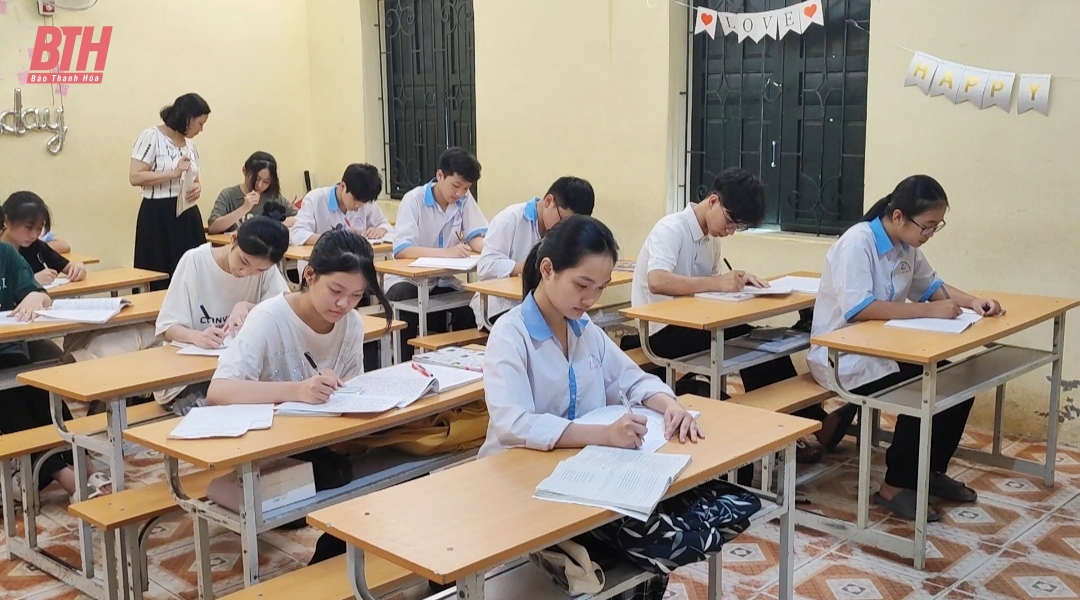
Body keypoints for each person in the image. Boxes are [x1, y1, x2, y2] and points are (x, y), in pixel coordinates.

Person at [808, 174, 1003, 521]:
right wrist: (928, 311)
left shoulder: (906, 247)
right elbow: (859, 308)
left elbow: (933, 287)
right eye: (926, 226)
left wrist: (975, 301)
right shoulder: (858, 243)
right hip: (844, 357)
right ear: (898, 216)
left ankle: (929, 472)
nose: (928, 235)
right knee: (924, 392)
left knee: (958, 384)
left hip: (883, 351)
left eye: (935, 227)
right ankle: (894, 487)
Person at [630, 168, 850, 463]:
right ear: (713, 201)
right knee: (751, 342)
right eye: (731, 221)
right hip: (661, 331)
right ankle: (793, 428)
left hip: (696, 324)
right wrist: (718, 283)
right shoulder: (671, 228)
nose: (730, 231)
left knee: (762, 341)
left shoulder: (711, 240)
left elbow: (707, 293)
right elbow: (658, 280)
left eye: (738, 227)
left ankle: (794, 426)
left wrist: (739, 283)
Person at [481, 215, 702, 458]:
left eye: (600, 288)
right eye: (581, 285)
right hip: (514, 467)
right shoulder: (510, 335)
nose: (590, 299)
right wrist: (604, 434)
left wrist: (671, 406)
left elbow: (632, 380)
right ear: (547, 269)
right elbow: (514, 425)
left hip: (577, 463)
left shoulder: (583, 327)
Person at [206, 226, 392, 406]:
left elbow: (354, 389)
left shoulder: (351, 323)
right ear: (310, 275)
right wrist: (298, 391)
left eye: (356, 295)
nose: (344, 303)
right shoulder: (268, 318)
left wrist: (337, 385)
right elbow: (218, 391)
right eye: (336, 290)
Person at [0, 208, 110, 502]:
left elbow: (39, 293)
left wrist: (38, 295)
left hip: (10, 347)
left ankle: (82, 463)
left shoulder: (6, 256)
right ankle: (68, 478)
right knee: (10, 399)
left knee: (41, 387)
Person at [151, 217, 292, 414]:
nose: (246, 272)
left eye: (259, 270)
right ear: (233, 239)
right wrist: (197, 337)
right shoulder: (195, 261)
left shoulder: (265, 270)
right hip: (193, 376)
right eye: (243, 261)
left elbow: (285, 309)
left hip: (241, 372)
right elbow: (167, 328)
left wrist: (249, 307)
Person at [388, 147, 488, 360]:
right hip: (407, 279)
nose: (459, 193)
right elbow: (403, 250)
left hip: (441, 280)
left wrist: (494, 250)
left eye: (466, 188)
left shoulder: (463, 199)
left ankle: (461, 367)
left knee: (470, 309)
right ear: (440, 175)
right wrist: (446, 253)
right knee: (405, 303)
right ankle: (402, 365)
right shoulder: (413, 200)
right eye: (456, 186)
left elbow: (476, 236)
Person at [470, 176, 595, 329]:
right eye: (563, 220)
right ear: (549, 201)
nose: (566, 227)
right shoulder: (511, 219)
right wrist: (526, 268)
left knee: (587, 327)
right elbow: (485, 266)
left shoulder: (570, 231)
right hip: (502, 306)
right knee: (544, 329)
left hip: (548, 305)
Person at [129, 92, 211, 291]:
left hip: (187, 213)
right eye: (200, 123)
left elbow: (195, 178)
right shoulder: (151, 136)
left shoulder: (191, 146)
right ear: (188, 118)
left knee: (193, 268)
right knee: (160, 268)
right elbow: (135, 176)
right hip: (158, 213)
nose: (201, 129)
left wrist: (197, 188)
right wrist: (172, 173)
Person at [289, 163, 390, 245]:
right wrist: (336, 238)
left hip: (356, 263)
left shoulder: (366, 202)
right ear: (342, 186)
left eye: (363, 202)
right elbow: (298, 234)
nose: (358, 206)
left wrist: (381, 229)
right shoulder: (315, 199)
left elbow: (385, 225)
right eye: (355, 199)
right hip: (321, 265)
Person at [0, 191, 86, 285]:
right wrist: (30, 280)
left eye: (39, 228)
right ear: (6, 220)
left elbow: (68, 266)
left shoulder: (36, 247)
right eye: (28, 227)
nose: (34, 235)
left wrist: (78, 267)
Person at [208, 151, 298, 234]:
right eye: (256, 179)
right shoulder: (228, 195)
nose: (259, 185)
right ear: (244, 170)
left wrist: (279, 223)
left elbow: (302, 218)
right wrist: (244, 208)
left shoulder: (273, 197)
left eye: (266, 181)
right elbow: (213, 227)